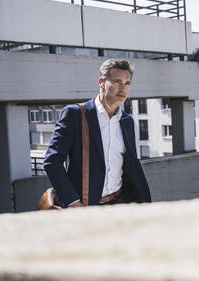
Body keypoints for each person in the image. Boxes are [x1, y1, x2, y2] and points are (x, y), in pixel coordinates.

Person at [44, 59, 151, 208]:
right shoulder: (74, 115)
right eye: (117, 81)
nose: (123, 88)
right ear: (101, 82)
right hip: (85, 206)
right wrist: (72, 202)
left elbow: (129, 166)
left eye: (127, 83)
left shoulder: (127, 121)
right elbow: (52, 161)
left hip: (120, 203)